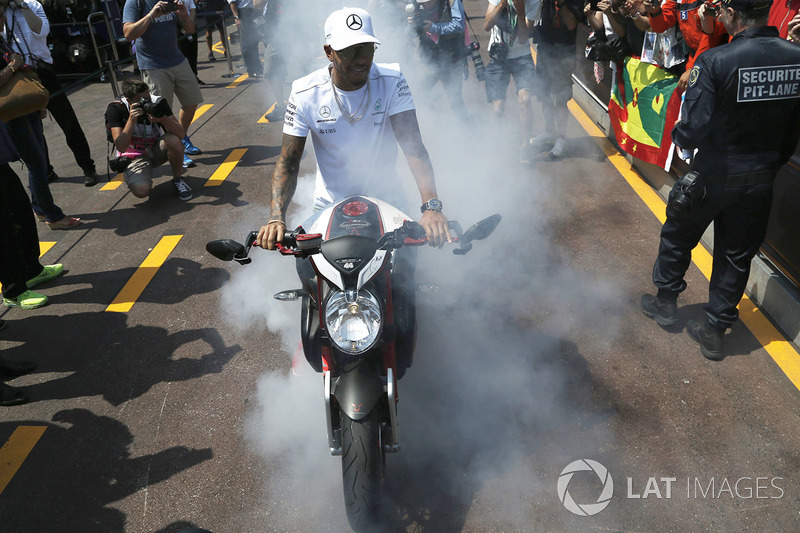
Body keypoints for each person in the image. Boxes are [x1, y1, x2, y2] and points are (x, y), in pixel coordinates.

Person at [640, 0, 800, 360]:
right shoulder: (796, 56)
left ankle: (665, 302)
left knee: (679, 234)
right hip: (760, 176)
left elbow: (694, 127)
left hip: (713, 171)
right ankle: (714, 329)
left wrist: (681, 139)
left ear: (731, 15)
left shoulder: (717, 60)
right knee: (736, 254)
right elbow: (793, 130)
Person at [256, 6, 450, 250]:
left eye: (367, 49)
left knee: (403, 274)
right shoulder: (304, 92)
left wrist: (431, 206)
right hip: (330, 205)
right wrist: (276, 218)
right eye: (349, 51)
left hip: (387, 200)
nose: (361, 59)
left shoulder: (393, 80)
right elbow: (288, 162)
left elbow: (414, 147)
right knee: (313, 273)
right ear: (329, 52)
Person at [0, 0, 100, 186]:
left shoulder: (32, 5)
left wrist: (22, 6)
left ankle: (87, 166)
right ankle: (46, 170)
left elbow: (41, 31)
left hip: (43, 70)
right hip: (20, 75)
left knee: (67, 121)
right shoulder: (2, 12)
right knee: (33, 126)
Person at [0, 33, 80, 229]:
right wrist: (12, 65)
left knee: (40, 162)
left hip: (25, 106)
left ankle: (40, 208)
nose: (2, 18)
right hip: (13, 112)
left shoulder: (1, 40)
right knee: (36, 165)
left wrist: (37, 103)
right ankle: (52, 215)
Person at [122, 0, 204, 169]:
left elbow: (190, 29)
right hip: (153, 66)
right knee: (161, 112)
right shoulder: (135, 2)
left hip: (177, 60)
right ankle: (177, 148)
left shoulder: (171, 1)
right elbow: (128, 33)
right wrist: (151, 15)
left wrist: (183, 14)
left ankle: (181, 137)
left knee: (191, 102)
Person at [105, 77, 193, 200]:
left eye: (147, 98)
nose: (146, 103)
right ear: (129, 101)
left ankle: (178, 180)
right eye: (140, 101)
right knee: (142, 191)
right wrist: (131, 120)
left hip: (155, 149)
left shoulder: (157, 102)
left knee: (174, 140)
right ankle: (133, 175)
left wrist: (163, 119)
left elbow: (181, 134)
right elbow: (121, 146)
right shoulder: (116, 108)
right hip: (133, 156)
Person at [483, 0, 540, 163]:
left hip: (522, 57)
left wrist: (520, 12)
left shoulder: (534, 2)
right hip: (498, 57)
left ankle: (525, 147)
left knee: (525, 100)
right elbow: (486, 25)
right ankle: (495, 147)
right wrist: (501, 5)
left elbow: (523, 38)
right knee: (497, 108)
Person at [527, 0, 583, 159]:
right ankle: (549, 130)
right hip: (545, 49)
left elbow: (572, 24)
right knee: (543, 94)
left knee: (560, 98)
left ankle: (561, 138)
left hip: (564, 52)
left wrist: (562, 3)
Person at [643, 0, 728, 91]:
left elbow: (713, 37)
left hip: (714, 59)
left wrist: (694, 67)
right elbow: (661, 26)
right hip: (695, 57)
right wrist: (655, 12)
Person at [410, 0, 469, 117]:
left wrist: (433, 27)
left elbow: (459, 25)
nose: (424, 4)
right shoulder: (416, 5)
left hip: (451, 56)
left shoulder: (452, 2)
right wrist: (411, 26)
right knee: (418, 94)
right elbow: (411, 33)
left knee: (455, 99)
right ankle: (436, 123)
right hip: (429, 57)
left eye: (427, 1)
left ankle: (467, 128)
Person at [227, 0, 264, 78]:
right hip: (244, 12)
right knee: (247, 43)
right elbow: (232, 2)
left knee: (254, 41)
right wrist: (236, 17)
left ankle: (257, 66)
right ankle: (251, 69)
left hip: (255, 11)